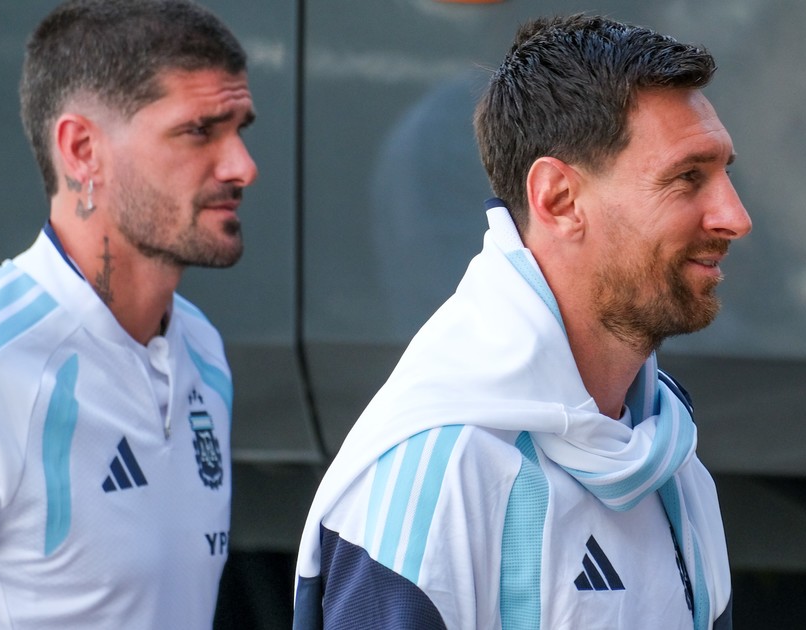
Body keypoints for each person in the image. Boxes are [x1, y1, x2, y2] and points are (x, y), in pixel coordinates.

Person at [294, 13, 750, 630]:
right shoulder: (437, 473)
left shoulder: (672, 456)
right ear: (558, 200)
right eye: (687, 177)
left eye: (725, 173)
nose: (734, 216)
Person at [0, 0, 257, 627]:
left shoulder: (202, 351)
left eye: (240, 129)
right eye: (199, 131)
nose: (243, 167)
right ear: (82, 149)